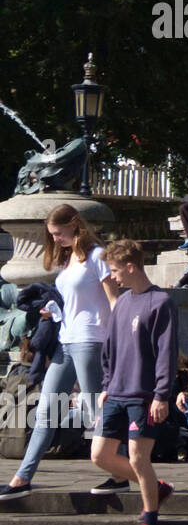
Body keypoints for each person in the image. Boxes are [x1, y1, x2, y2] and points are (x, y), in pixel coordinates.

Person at [2, 204, 120, 502]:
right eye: (51, 235)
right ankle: (22, 477)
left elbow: (114, 300)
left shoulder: (97, 256)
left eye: (57, 233)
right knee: (46, 410)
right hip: (66, 340)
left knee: (95, 410)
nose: (54, 239)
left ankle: (120, 472)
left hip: (91, 339)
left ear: (74, 224)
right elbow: (74, 301)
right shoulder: (70, 261)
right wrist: (52, 311)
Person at [89, 240, 177, 525]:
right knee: (100, 455)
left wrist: (162, 395)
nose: (112, 277)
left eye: (114, 270)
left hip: (143, 395)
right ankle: (155, 486)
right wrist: (106, 385)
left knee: (140, 458)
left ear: (131, 266)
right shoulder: (123, 302)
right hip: (116, 392)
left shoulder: (160, 302)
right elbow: (110, 348)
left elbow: (166, 352)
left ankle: (150, 523)